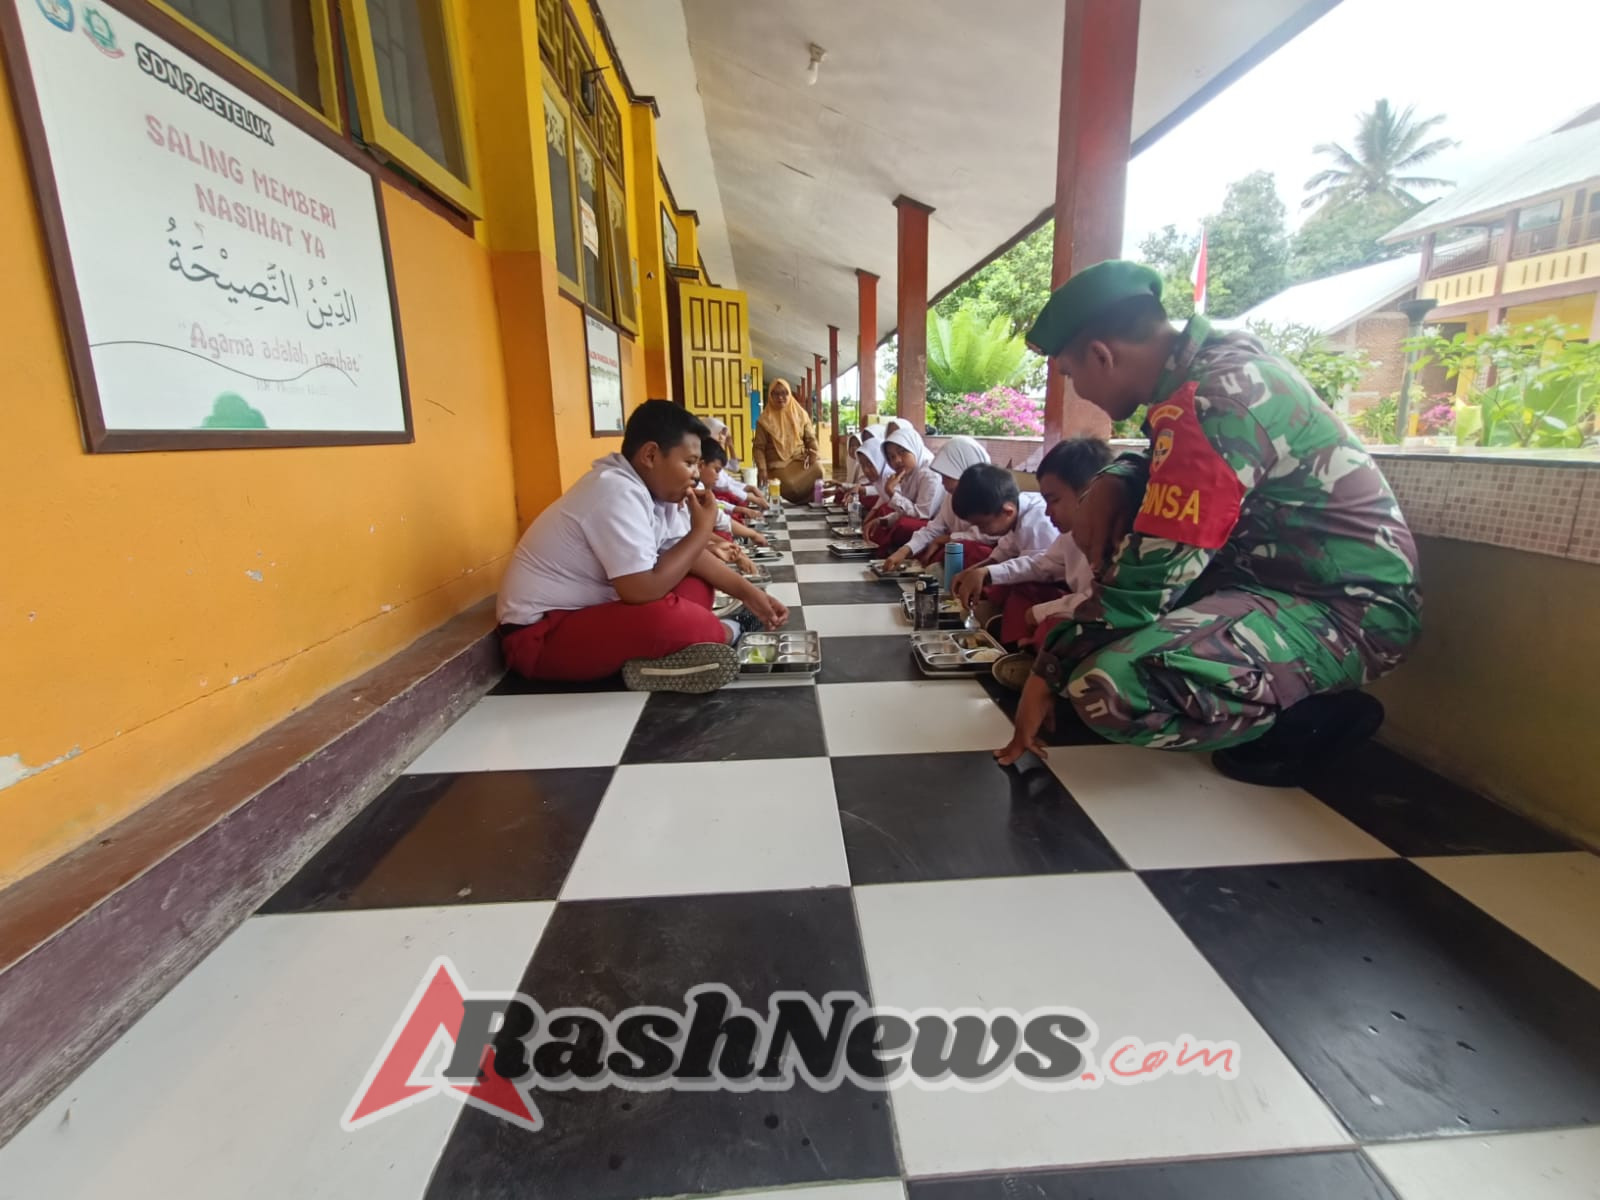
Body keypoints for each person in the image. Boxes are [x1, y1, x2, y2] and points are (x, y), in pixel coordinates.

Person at [994, 260, 1422, 785]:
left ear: (1102, 355)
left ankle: (1309, 719)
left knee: (1104, 687)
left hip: (1349, 611)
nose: (1077, 389)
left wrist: (1048, 670)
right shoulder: (1206, 370)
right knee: (1104, 616)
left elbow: (1144, 587)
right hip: (1276, 583)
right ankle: (1275, 693)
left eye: (1069, 373)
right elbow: (1166, 464)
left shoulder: (1215, 398)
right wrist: (1114, 476)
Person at [497, 400, 788, 694]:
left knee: (697, 583)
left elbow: (691, 557)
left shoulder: (658, 493)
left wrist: (750, 594)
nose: (696, 475)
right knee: (667, 620)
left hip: (597, 611)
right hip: (541, 637)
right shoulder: (615, 490)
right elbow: (640, 591)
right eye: (689, 463)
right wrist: (701, 531)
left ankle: (660, 658)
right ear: (650, 455)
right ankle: (730, 632)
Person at [949, 441, 1109, 684]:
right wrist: (984, 571)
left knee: (1051, 624)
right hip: (1074, 601)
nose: (1047, 511)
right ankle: (1022, 647)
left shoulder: (1114, 537)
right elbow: (1041, 563)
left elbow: (1098, 601)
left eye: (1054, 500)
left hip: (1095, 615)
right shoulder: (1069, 533)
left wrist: (1038, 613)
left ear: (1090, 493)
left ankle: (1025, 652)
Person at [881, 436, 997, 570]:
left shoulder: (989, 497)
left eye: (947, 476)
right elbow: (934, 528)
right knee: (938, 550)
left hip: (979, 555)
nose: (942, 482)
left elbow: (988, 535)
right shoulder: (951, 496)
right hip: (954, 542)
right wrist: (904, 551)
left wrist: (948, 538)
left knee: (966, 549)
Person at [865, 424, 943, 549]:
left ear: (914, 447)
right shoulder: (908, 473)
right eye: (891, 457)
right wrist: (883, 520)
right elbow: (907, 510)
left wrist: (891, 493)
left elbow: (921, 515)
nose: (897, 460)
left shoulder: (930, 474)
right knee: (884, 522)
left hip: (935, 529)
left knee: (903, 525)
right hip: (922, 522)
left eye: (902, 452)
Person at [753, 378, 822, 503]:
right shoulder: (764, 420)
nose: (781, 397)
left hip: (799, 459)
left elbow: (810, 438)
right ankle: (800, 501)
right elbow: (758, 448)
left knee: (819, 470)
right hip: (778, 463)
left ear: (790, 394)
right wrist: (762, 469)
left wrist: (814, 452)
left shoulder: (801, 414)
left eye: (784, 393)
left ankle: (809, 500)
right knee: (790, 486)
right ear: (770, 396)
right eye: (776, 394)